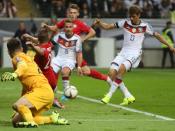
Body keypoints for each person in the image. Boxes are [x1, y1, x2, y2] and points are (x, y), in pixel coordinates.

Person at [93, 5, 175, 105]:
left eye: (134, 16)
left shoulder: (145, 26)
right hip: (123, 52)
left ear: (139, 15)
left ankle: (108, 95)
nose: (131, 18)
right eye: (130, 16)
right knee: (111, 74)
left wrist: (170, 45)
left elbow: (157, 36)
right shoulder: (125, 23)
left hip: (135, 53)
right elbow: (108, 26)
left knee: (122, 69)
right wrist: (99, 23)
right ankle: (128, 96)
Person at [1, 38, 68, 128]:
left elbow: (22, 66)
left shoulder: (17, 57)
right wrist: (22, 104)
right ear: (21, 48)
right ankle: (51, 118)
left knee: (17, 105)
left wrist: (14, 74)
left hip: (41, 91)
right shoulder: (27, 57)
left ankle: (31, 123)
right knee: (15, 121)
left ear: (8, 51)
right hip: (46, 92)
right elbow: (26, 87)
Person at [42, 4, 109, 86]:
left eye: (74, 13)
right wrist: (47, 26)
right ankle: (57, 90)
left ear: (78, 14)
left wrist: (83, 39)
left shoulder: (80, 24)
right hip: (65, 51)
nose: (72, 14)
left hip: (75, 54)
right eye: (71, 12)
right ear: (68, 13)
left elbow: (92, 32)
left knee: (86, 71)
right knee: (58, 69)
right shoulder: (64, 22)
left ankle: (107, 79)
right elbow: (55, 28)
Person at [23, 28, 64, 109]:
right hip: (50, 75)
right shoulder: (49, 44)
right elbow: (38, 41)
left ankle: (50, 100)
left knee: (33, 92)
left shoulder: (42, 48)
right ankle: (52, 99)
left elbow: (41, 51)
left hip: (43, 76)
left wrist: (32, 46)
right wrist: (30, 37)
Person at [51, 19, 83, 92]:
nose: (68, 29)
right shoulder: (59, 36)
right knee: (49, 73)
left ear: (73, 27)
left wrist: (79, 66)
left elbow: (79, 53)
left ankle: (66, 91)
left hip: (70, 60)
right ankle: (53, 88)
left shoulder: (77, 38)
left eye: (70, 27)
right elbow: (50, 45)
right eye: (66, 27)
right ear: (64, 28)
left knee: (64, 72)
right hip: (58, 58)